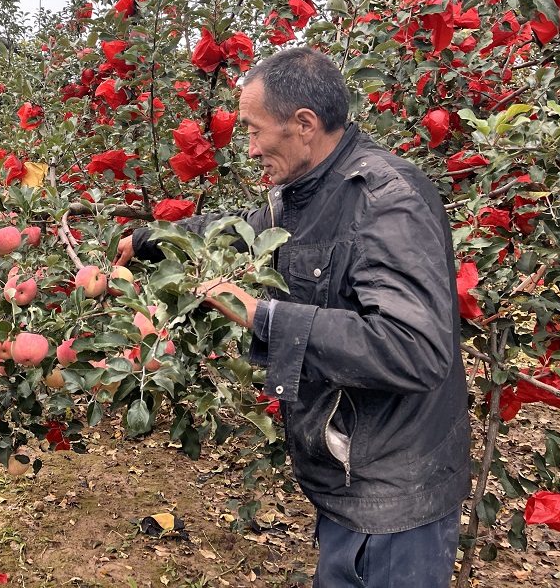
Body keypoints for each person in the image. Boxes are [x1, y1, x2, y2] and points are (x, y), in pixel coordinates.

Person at [114, 47, 470, 587]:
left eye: (255, 132)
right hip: (352, 485)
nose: (250, 148)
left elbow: (413, 348)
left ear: (304, 124)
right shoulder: (306, 195)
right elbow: (237, 229)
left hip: (393, 502)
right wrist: (146, 239)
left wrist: (261, 315)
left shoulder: (383, 200)